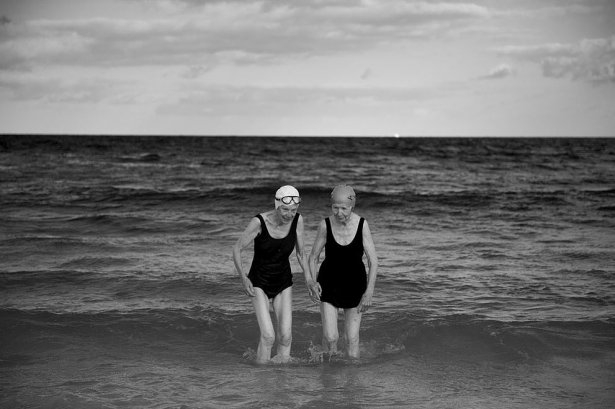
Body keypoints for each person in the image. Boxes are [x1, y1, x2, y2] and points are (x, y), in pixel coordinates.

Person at [233, 185, 309, 364]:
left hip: (283, 282)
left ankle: (281, 377)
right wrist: (243, 278)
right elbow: (237, 249)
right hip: (259, 282)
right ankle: (262, 375)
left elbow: (301, 254)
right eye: (285, 209)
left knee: (286, 337)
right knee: (268, 336)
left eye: (293, 210)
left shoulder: (297, 220)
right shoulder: (259, 222)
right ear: (277, 206)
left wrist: (310, 279)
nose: (289, 214)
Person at [307, 185, 378, 359]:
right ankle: (328, 371)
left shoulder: (362, 225)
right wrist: (313, 281)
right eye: (335, 208)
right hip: (328, 284)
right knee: (331, 337)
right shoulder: (325, 225)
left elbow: (373, 261)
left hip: (355, 286)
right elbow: (313, 257)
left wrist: (369, 292)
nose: (339, 213)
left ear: (352, 206)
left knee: (351, 339)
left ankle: (352, 375)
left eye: (344, 208)